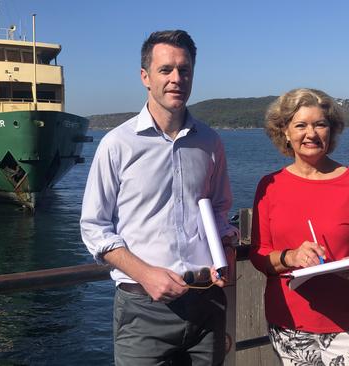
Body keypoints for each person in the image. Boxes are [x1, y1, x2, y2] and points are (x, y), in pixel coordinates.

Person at [80, 30, 237, 366]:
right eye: (166, 70)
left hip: (206, 303)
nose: (176, 79)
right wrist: (145, 273)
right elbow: (94, 228)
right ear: (145, 77)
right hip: (143, 310)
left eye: (185, 70)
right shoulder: (117, 144)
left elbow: (220, 209)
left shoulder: (210, 142)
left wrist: (227, 246)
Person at [249, 88, 349, 366]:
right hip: (290, 323)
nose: (311, 134)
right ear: (286, 133)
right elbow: (259, 253)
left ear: (332, 130)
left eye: (320, 124)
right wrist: (290, 257)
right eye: (301, 125)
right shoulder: (270, 187)